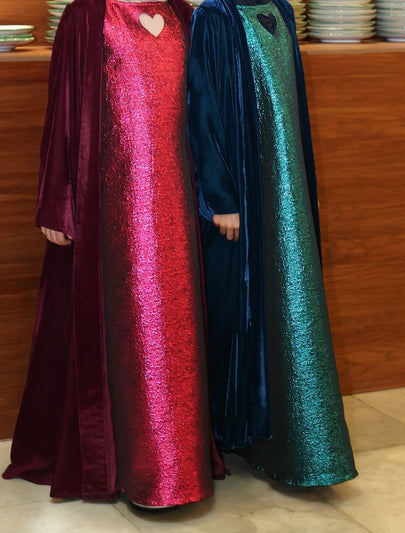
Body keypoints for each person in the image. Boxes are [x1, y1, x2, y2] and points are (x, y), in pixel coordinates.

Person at [3, 0, 224, 508]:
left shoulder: (182, 15)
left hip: (176, 206)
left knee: (176, 327)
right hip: (111, 208)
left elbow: (203, 111)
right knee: (127, 328)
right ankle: (133, 469)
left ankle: (180, 466)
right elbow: (62, 111)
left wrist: (218, 195)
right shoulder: (86, 16)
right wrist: (57, 201)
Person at [188, 0, 358, 486]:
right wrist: (220, 198)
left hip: (288, 199)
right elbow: (201, 109)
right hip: (244, 198)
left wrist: (303, 186)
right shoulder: (215, 17)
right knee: (242, 309)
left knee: (294, 303)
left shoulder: (282, 11)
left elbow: (293, 108)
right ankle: (245, 429)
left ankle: (304, 436)